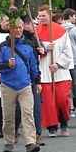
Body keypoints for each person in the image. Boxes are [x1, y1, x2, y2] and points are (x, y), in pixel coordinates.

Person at [0, 18, 41, 152]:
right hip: (8, 85)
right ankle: (9, 140)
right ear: (10, 29)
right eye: (16, 28)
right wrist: (7, 65)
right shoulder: (3, 47)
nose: (19, 30)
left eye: (21, 27)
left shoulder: (28, 45)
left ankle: (30, 142)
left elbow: (34, 65)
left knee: (27, 114)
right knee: (8, 116)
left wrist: (37, 81)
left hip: (25, 84)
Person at [36, 6, 74, 137]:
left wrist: (58, 64)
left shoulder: (61, 31)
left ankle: (64, 123)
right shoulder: (35, 33)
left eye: (43, 15)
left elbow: (68, 51)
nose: (41, 18)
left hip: (59, 72)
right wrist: (43, 49)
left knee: (62, 100)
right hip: (44, 71)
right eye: (39, 16)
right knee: (48, 102)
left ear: (50, 15)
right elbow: (32, 51)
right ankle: (52, 126)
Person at [22, 16, 43, 145]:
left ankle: (37, 133)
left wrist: (40, 50)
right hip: (24, 77)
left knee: (36, 107)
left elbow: (35, 62)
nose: (34, 27)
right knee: (26, 109)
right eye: (31, 24)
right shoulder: (23, 40)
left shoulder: (33, 38)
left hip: (33, 76)